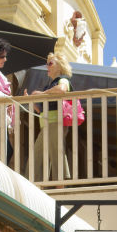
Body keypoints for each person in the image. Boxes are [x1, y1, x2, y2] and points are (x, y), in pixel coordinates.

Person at [27, 52, 74, 180]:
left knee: (56, 153)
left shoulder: (62, 80)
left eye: (50, 63)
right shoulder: (50, 85)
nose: (47, 66)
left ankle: (60, 190)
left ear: (59, 66)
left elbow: (62, 89)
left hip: (56, 122)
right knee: (38, 156)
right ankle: (37, 184)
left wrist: (42, 93)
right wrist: (31, 101)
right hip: (47, 124)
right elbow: (40, 110)